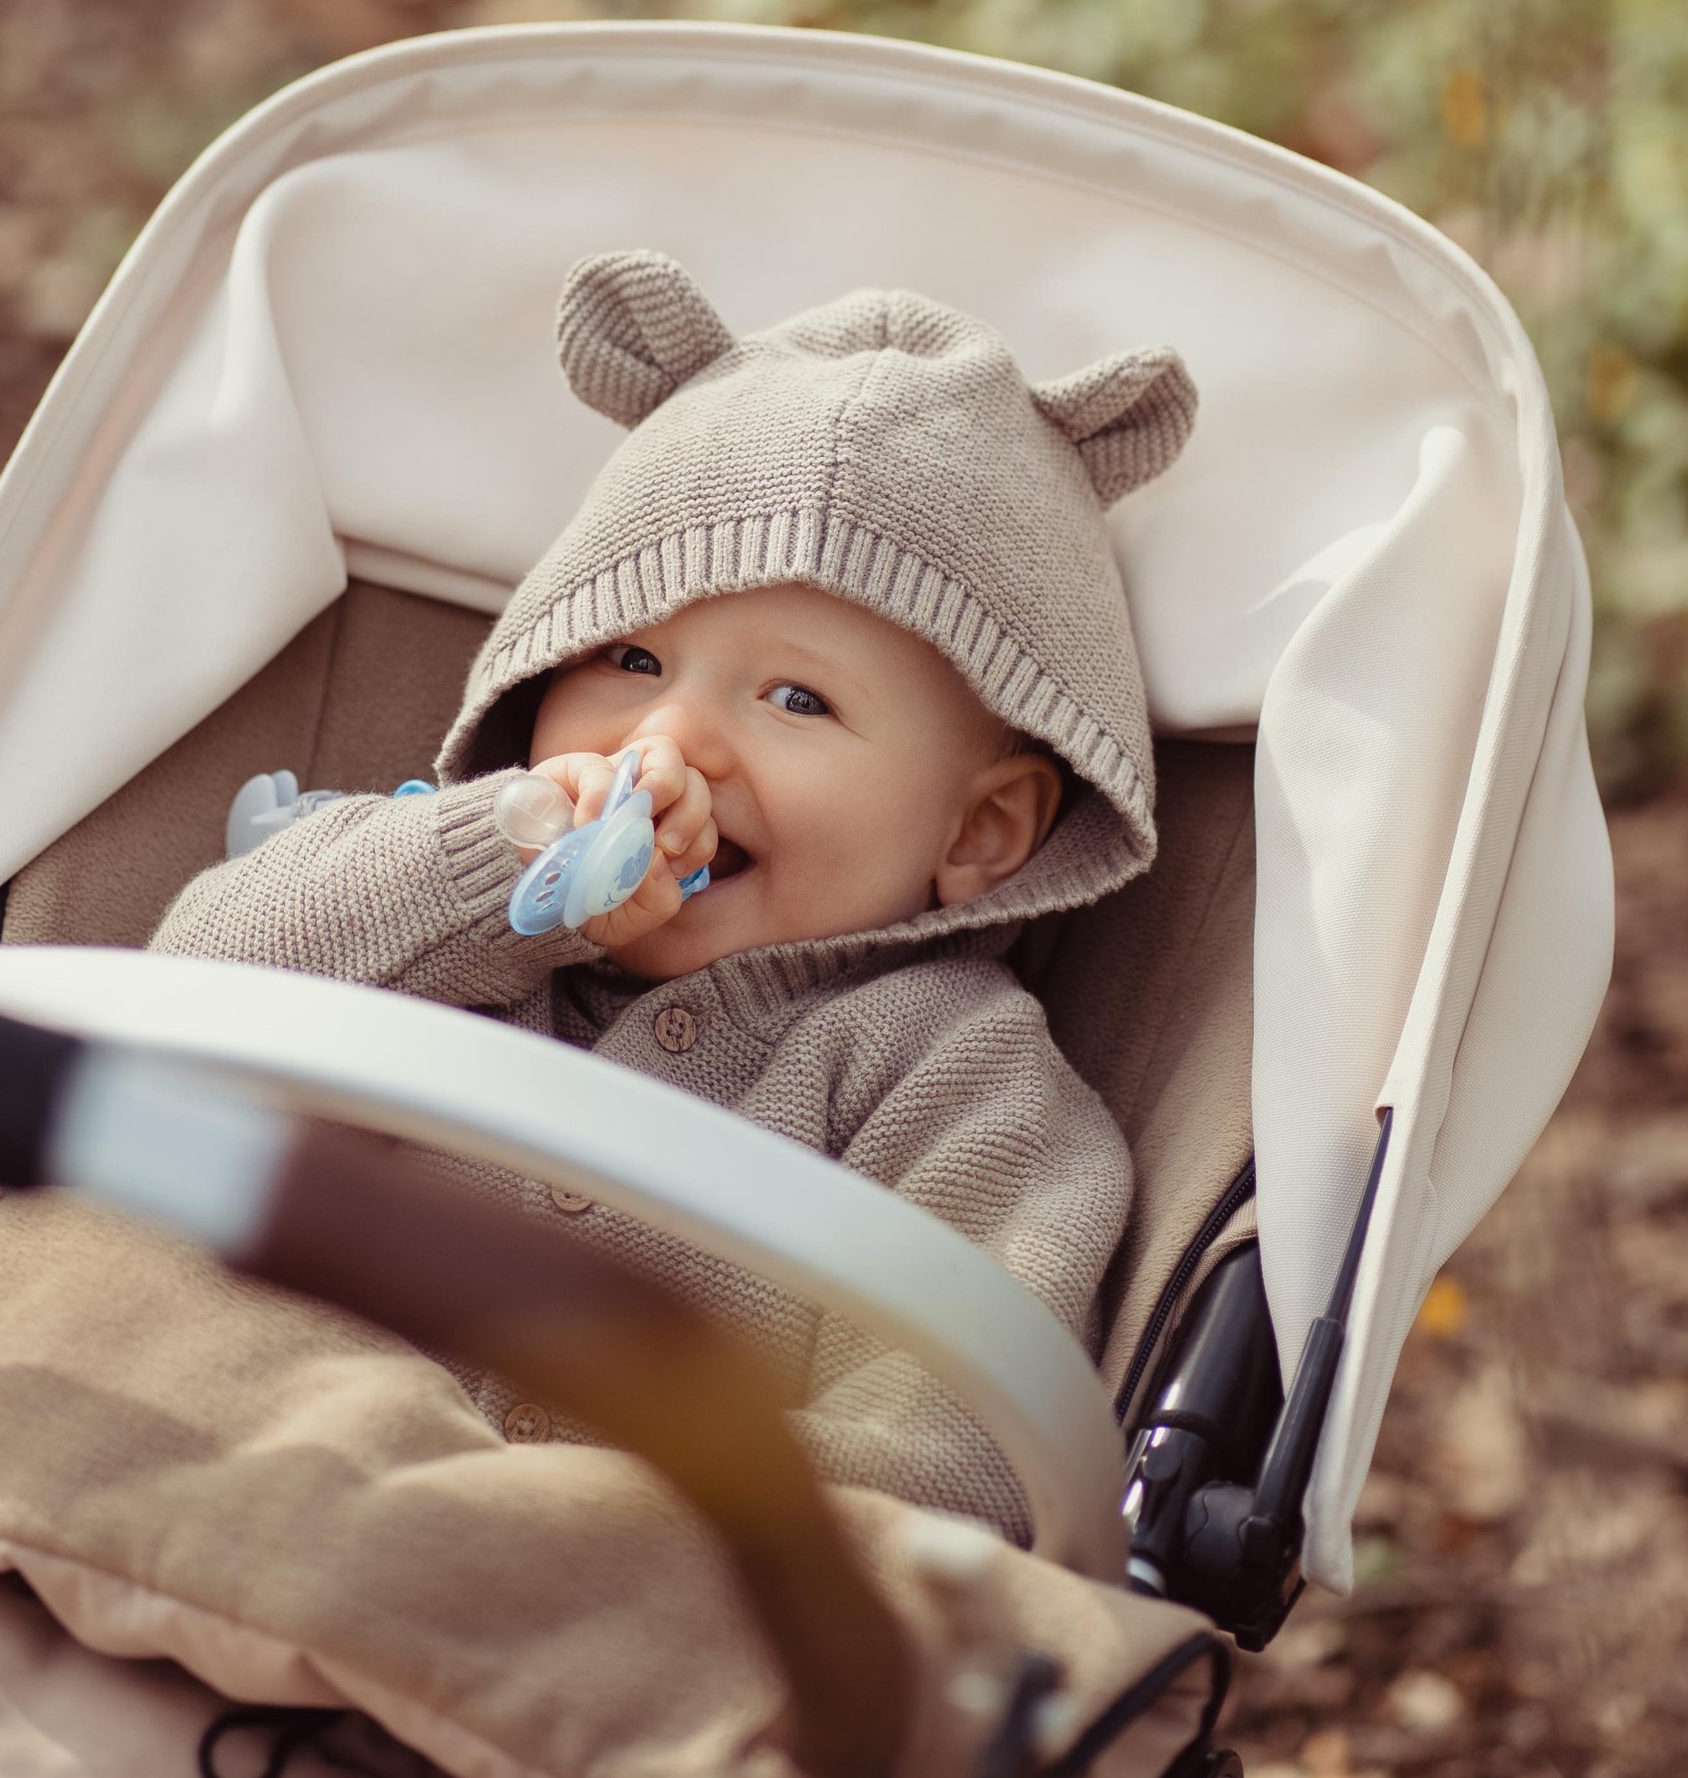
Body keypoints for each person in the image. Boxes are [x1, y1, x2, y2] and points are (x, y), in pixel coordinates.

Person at [151, 250, 1196, 1539]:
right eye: (630, 656)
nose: (671, 740)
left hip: (620, 1595)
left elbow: (960, 1458)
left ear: (979, 832)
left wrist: (614, 1510)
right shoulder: (424, 904)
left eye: (797, 699)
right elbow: (184, 1002)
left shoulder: (962, 1086)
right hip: (224, 1472)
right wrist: (501, 854)